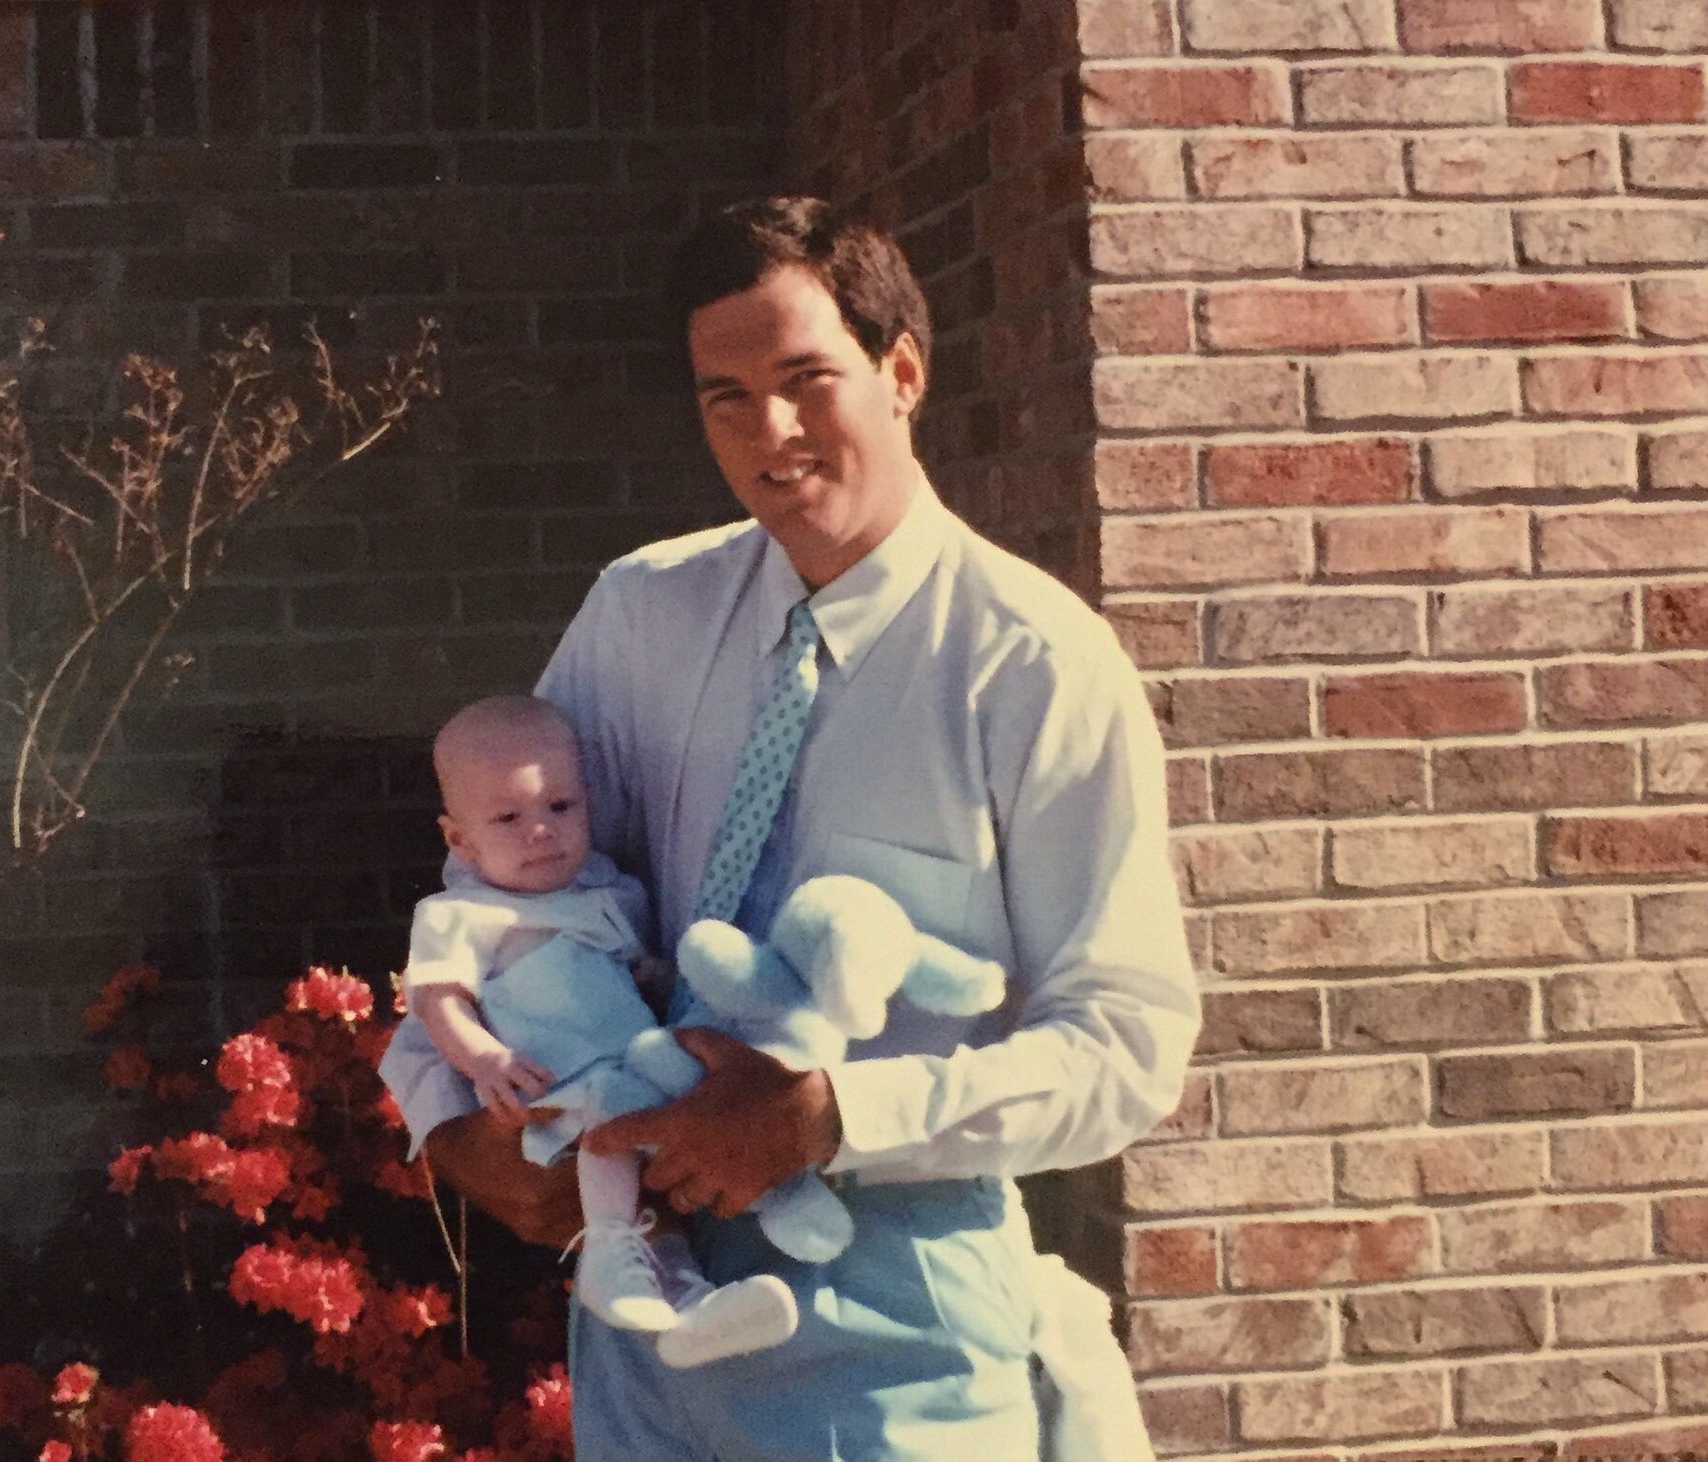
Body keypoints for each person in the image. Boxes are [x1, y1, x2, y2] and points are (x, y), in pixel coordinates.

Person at [382, 194, 1199, 1460]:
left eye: (804, 380)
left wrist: (830, 1119)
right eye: (723, 396)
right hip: (648, 1324)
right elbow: (497, 889)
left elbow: (1126, 1043)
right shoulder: (637, 616)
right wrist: (448, 1123)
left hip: (897, 1333)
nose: (767, 431)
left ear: (903, 372)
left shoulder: (1030, 664)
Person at [404, 694, 799, 1365]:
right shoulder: (463, 914)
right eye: (509, 817)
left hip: (635, 1059)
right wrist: (485, 1060)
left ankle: (693, 1307)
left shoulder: (608, 892)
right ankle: (612, 1261)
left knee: (679, 1151)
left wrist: (652, 979)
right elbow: (440, 1001)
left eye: (561, 808)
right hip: (553, 1073)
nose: (541, 831)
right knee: (614, 1134)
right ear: (459, 841)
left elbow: (634, 967)